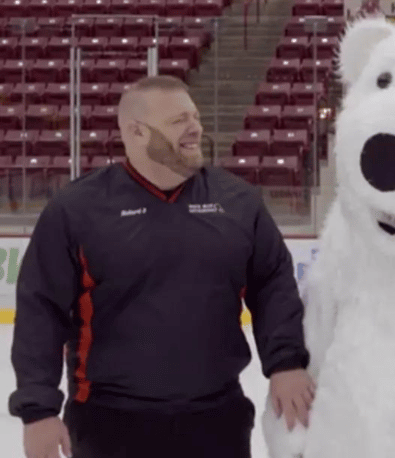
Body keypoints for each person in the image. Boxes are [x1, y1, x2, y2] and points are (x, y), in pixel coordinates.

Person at [8, 75, 314, 458]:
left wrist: (285, 362)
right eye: (178, 121)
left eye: (195, 117)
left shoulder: (237, 202)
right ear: (136, 132)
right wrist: (38, 410)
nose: (195, 129)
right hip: (109, 422)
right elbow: (42, 310)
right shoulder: (78, 210)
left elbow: (273, 285)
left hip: (218, 419)